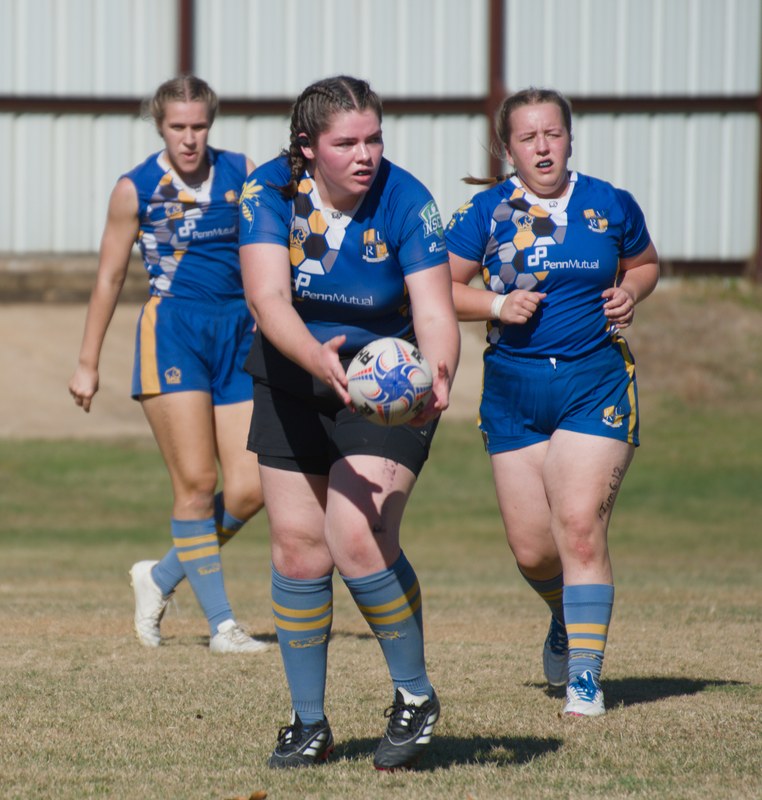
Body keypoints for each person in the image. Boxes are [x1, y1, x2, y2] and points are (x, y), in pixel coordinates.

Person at [239, 75, 460, 769]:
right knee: (299, 550)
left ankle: (415, 697)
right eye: (346, 143)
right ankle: (309, 724)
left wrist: (440, 374)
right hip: (293, 373)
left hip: (391, 388)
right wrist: (316, 357)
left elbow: (434, 310)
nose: (366, 155)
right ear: (307, 148)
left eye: (374, 139)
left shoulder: (408, 199)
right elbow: (268, 298)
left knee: (356, 534)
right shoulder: (268, 192)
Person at [445, 87, 659, 717]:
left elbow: (645, 263)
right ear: (506, 147)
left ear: (569, 137)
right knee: (534, 551)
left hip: (595, 384)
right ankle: (564, 616)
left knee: (579, 530)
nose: (542, 147)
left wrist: (631, 292)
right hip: (512, 391)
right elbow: (437, 292)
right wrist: (494, 304)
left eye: (552, 134)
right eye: (527, 137)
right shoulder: (483, 212)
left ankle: (586, 681)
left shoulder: (609, 203)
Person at [68, 75, 268, 655]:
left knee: (252, 488)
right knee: (198, 485)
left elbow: (266, 252)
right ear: (160, 125)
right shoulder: (135, 188)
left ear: (212, 123)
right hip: (174, 333)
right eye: (178, 127)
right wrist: (88, 363)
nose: (189, 139)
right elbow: (107, 278)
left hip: (238, 334)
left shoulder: (242, 172)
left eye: (199, 126)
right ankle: (223, 626)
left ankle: (158, 577)